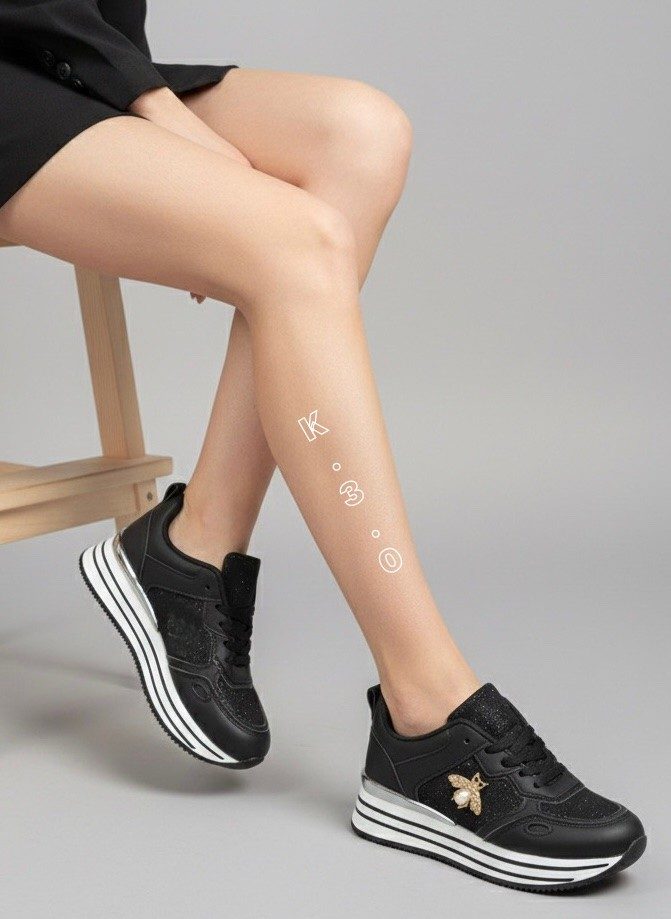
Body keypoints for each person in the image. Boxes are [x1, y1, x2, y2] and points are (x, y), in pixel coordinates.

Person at [0, 0, 645, 892]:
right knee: (295, 240)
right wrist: (158, 115)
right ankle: (426, 711)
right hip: (40, 56)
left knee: (362, 136)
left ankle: (194, 548)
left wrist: (138, 91)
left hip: (61, 57)